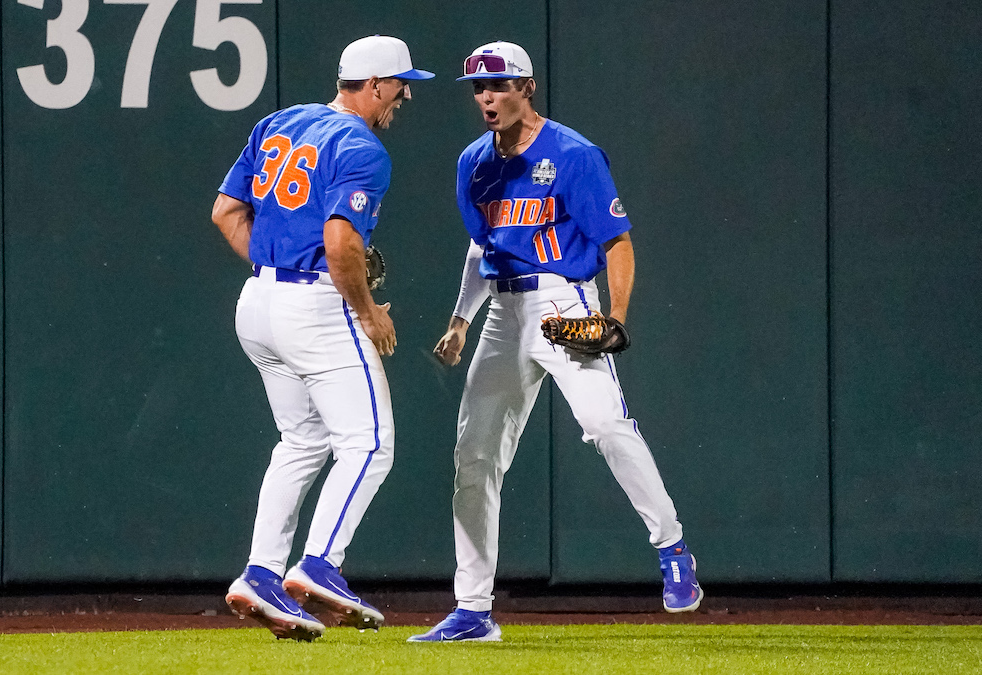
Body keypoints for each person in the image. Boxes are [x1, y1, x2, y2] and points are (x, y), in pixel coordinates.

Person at [408, 41, 701, 644]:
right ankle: (472, 608)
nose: (487, 97)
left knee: (605, 424)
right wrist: (461, 319)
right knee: (474, 458)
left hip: (564, 301)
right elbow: (481, 247)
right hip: (501, 310)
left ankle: (672, 548)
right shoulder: (473, 161)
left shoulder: (574, 154)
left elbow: (616, 241)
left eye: (500, 85)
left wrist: (615, 315)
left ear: (528, 87)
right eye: (478, 88)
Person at [210, 35, 433, 642]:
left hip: (258, 302)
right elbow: (340, 243)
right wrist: (366, 310)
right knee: (370, 444)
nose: (405, 96)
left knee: (301, 441)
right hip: (315, 303)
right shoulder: (362, 146)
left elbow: (226, 212)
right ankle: (319, 566)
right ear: (376, 84)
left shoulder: (280, 122)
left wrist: (275, 272)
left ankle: (260, 574)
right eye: (400, 84)